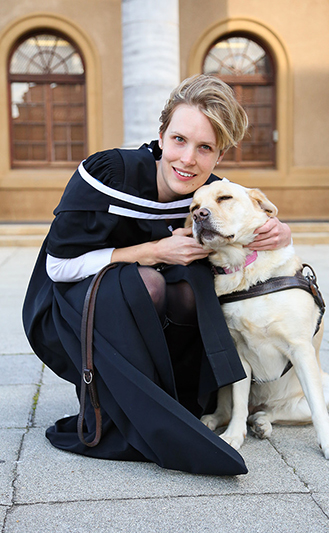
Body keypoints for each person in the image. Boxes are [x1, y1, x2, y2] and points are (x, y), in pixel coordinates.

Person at [22, 74, 291, 475]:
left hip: (147, 304)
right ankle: (122, 409)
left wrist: (280, 230)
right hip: (72, 303)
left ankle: (176, 400)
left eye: (205, 148)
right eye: (179, 140)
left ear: (220, 155)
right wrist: (150, 251)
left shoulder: (209, 196)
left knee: (189, 287)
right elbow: (58, 267)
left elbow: (252, 224)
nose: (188, 160)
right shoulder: (109, 172)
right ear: (161, 134)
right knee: (144, 280)